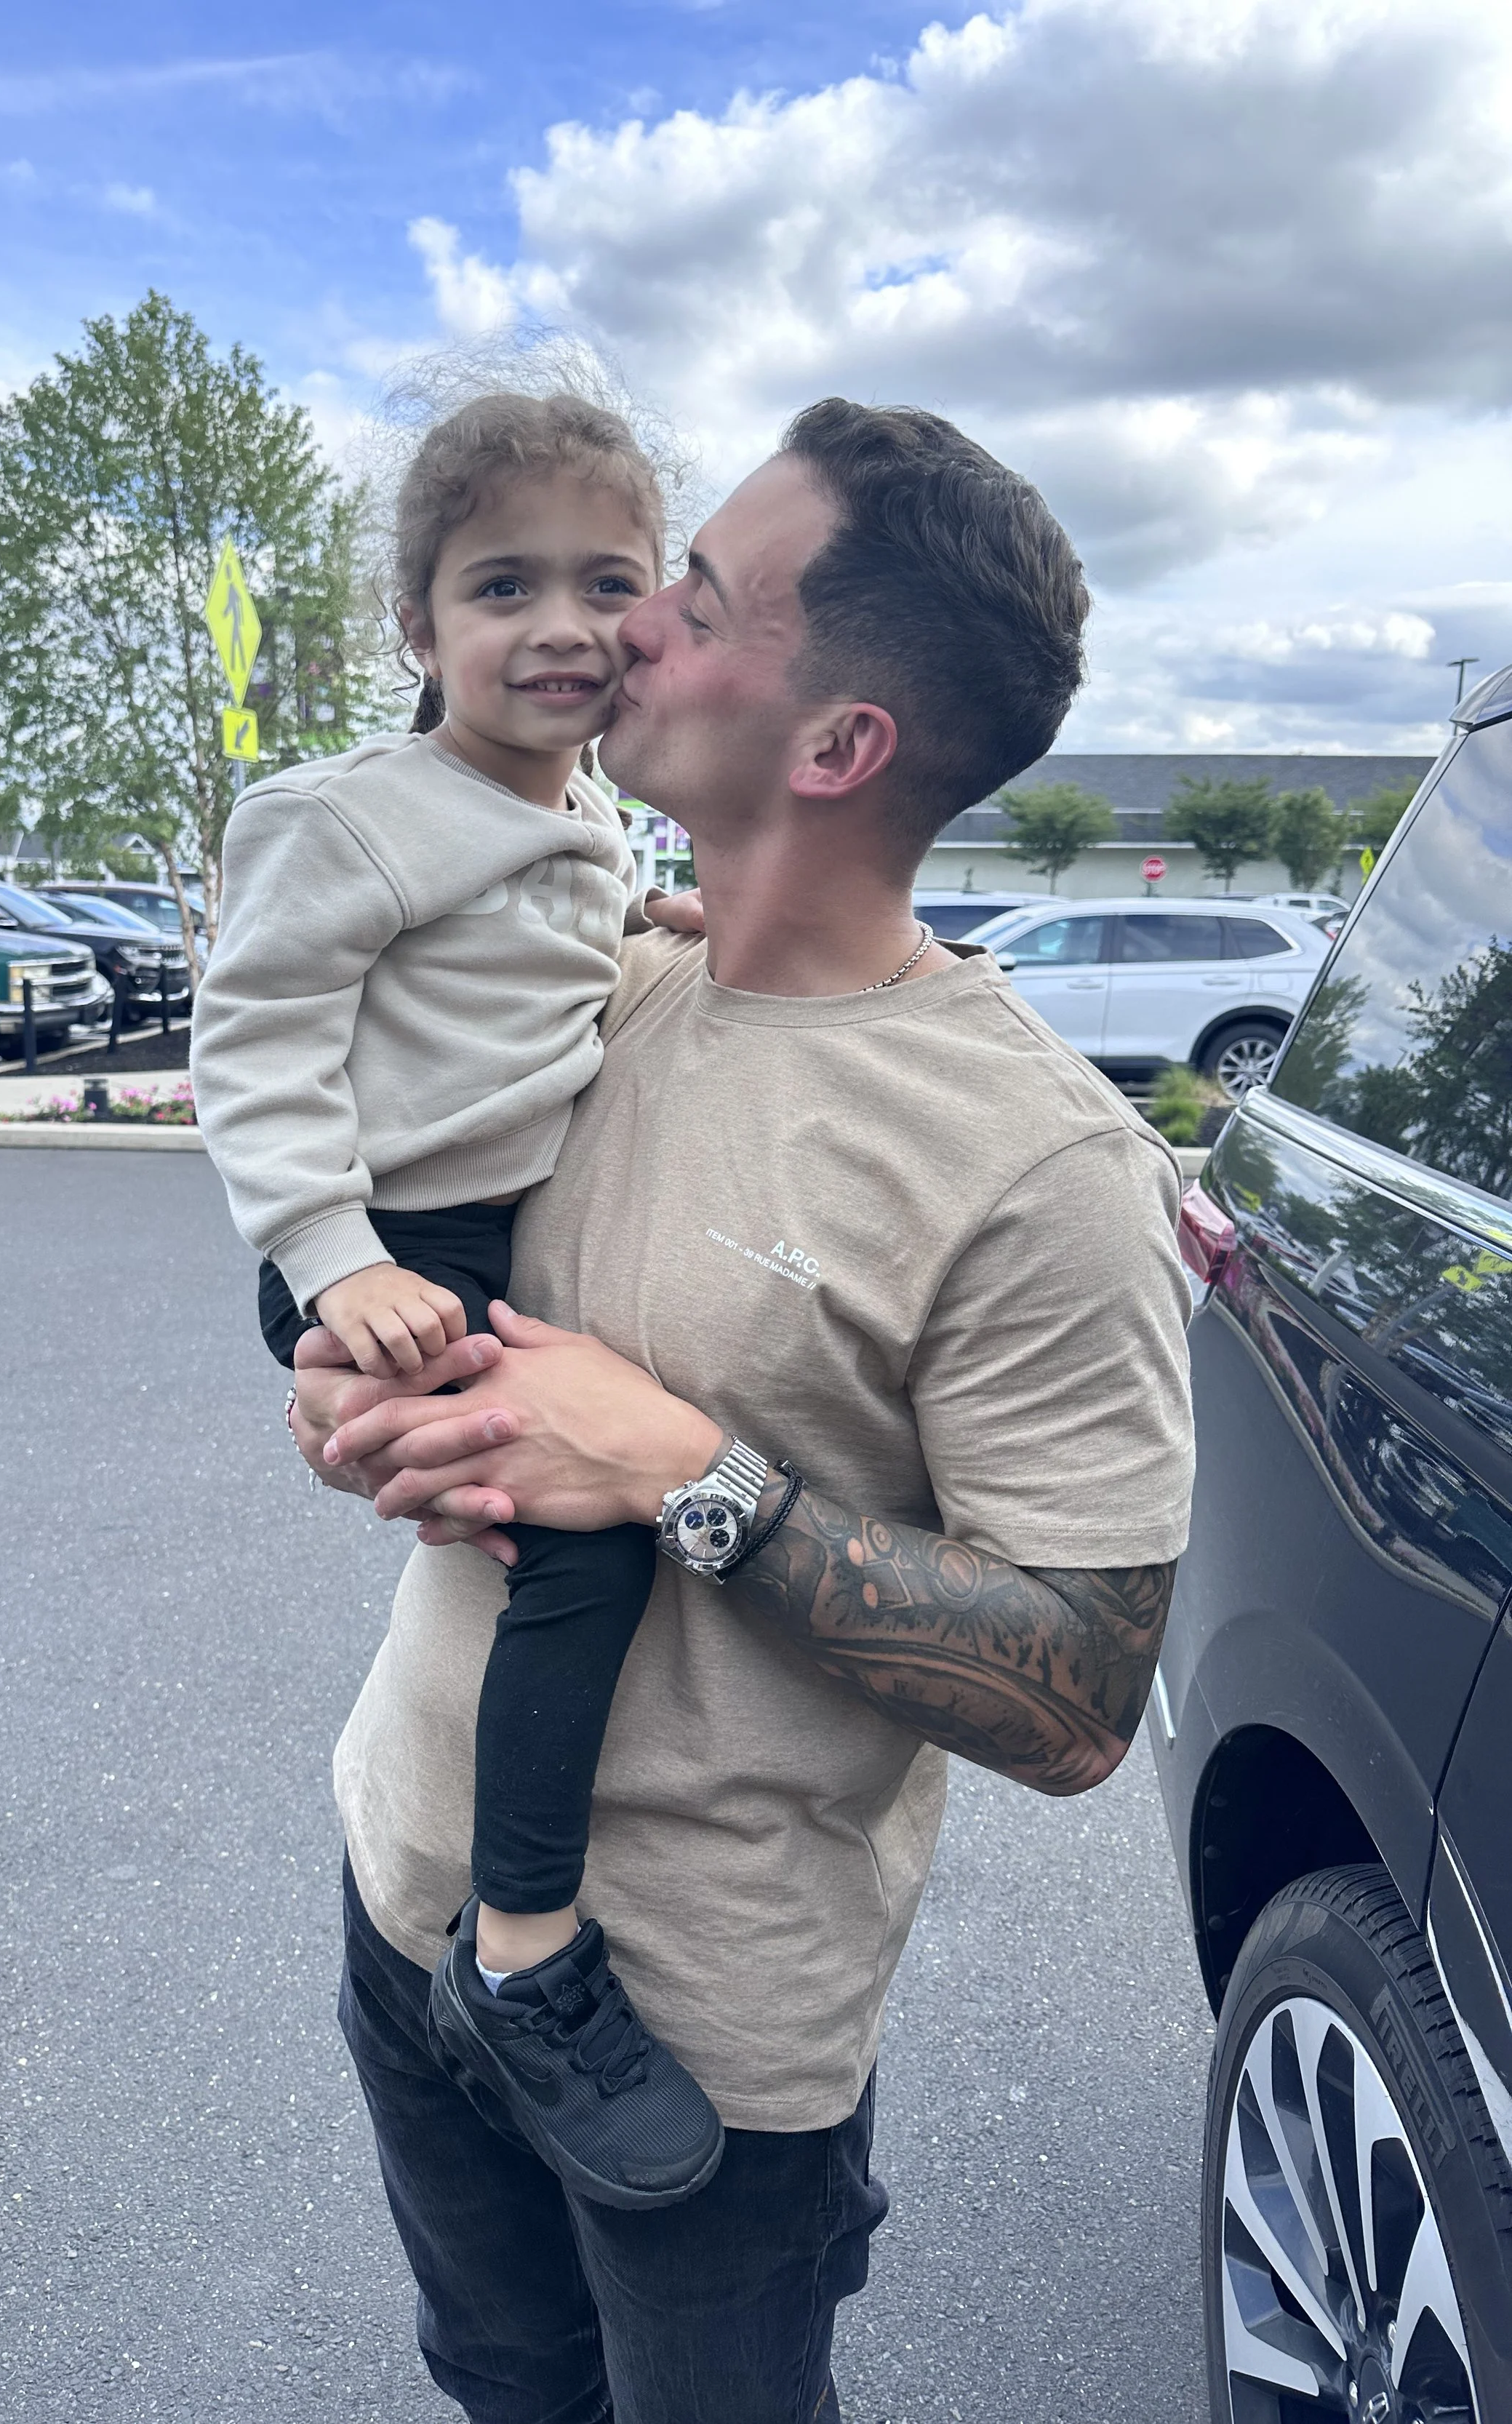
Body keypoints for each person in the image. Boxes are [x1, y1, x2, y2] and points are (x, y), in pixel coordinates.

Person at [288, 397, 1196, 2424]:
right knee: (499, 2382)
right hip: (402, 1886)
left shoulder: (1033, 1162)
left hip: (698, 2037)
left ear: (834, 747)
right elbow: (386, 1247)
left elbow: (1080, 1694)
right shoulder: (593, 985)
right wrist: (361, 1396)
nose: (621, 632)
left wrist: (697, 1478)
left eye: (686, 599)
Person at [191, 391, 728, 2213]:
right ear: (416, 628)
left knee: (579, 1525)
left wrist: (670, 927)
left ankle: (509, 1930)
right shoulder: (342, 817)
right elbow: (253, 1049)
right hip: (389, 1248)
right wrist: (333, 1262)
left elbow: (555, 938)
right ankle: (519, 1954)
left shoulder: (576, 815)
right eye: (504, 585)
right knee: (591, 1553)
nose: (563, 625)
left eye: (608, 581)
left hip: (479, 1239)